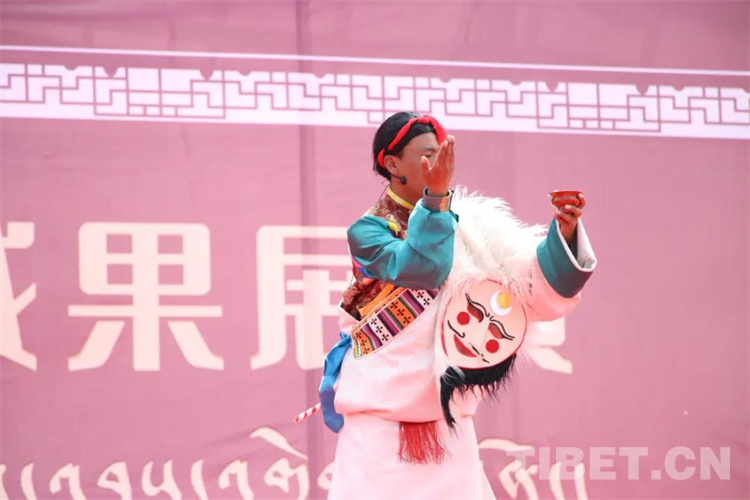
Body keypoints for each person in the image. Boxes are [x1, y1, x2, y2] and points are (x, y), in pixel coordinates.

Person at [318, 112, 598, 499]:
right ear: (392, 164)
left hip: (450, 428)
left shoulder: (470, 226)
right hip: (376, 433)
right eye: (427, 155)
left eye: (442, 155)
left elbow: (530, 292)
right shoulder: (369, 232)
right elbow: (422, 269)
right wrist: (436, 199)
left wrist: (564, 236)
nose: (438, 165)